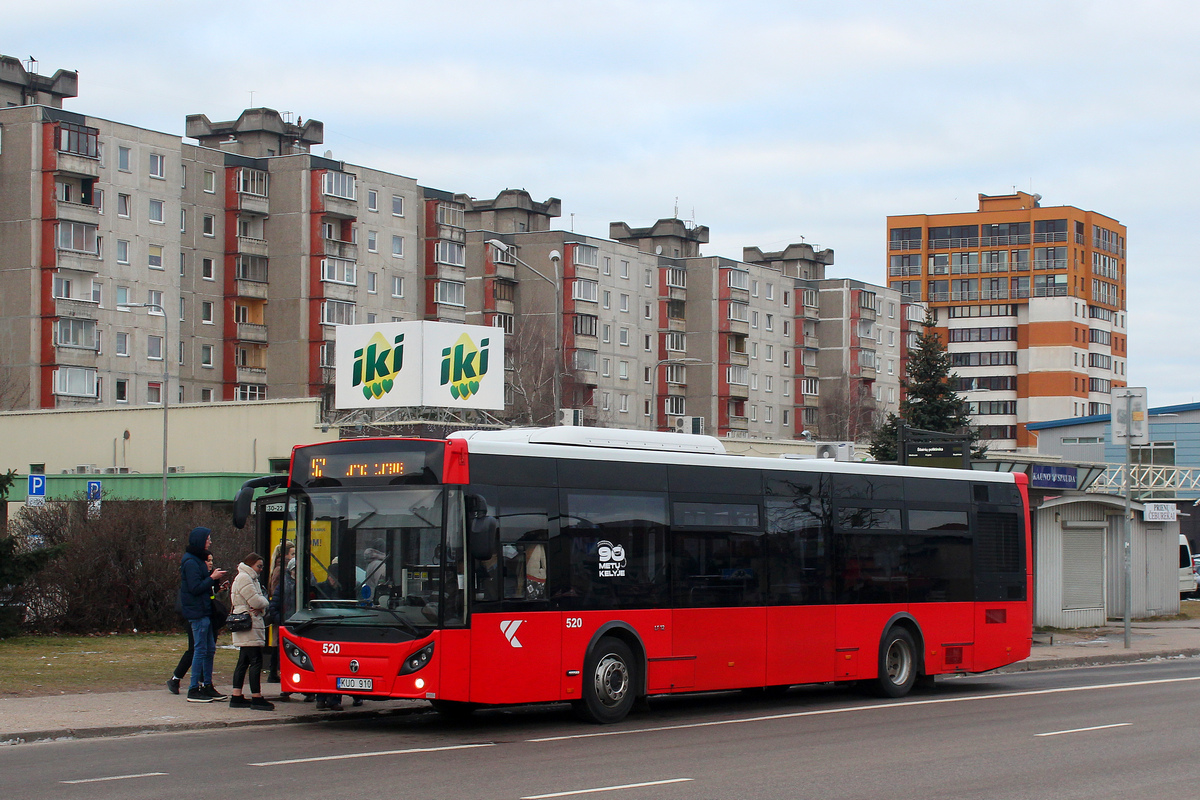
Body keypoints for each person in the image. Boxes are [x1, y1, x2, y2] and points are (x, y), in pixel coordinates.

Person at [178, 527, 228, 703]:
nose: (210, 542)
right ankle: (194, 688)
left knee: (209, 649)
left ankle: (207, 685)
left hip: (205, 610)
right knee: (199, 649)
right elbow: (195, 588)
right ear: (200, 540)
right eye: (208, 539)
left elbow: (204, 586)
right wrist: (212, 578)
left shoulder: (198, 560)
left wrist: (215, 583)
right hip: (197, 611)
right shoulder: (190, 562)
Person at [228, 552, 274, 711]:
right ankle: (256, 697)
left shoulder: (245, 577)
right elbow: (256, 600)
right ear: (251, 565)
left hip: (247, 623)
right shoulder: (245, 578)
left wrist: (259, 607)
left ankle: (236, 695)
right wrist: (264, 603)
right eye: (259, 566)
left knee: (244, 661)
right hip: (250, 624)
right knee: (255, 661)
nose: (261, 569)